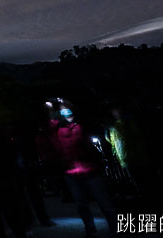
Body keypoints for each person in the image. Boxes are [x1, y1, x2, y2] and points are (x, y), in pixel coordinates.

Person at [49, 101, 117, 237]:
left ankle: (114, 227)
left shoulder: (83, 124)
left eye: (67, 108)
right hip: (71, 170)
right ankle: (90, 229)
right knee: (81, 203)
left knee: (103, 201)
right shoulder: (57, 127)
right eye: (62, 109)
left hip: (89, 168)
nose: (65, 111)